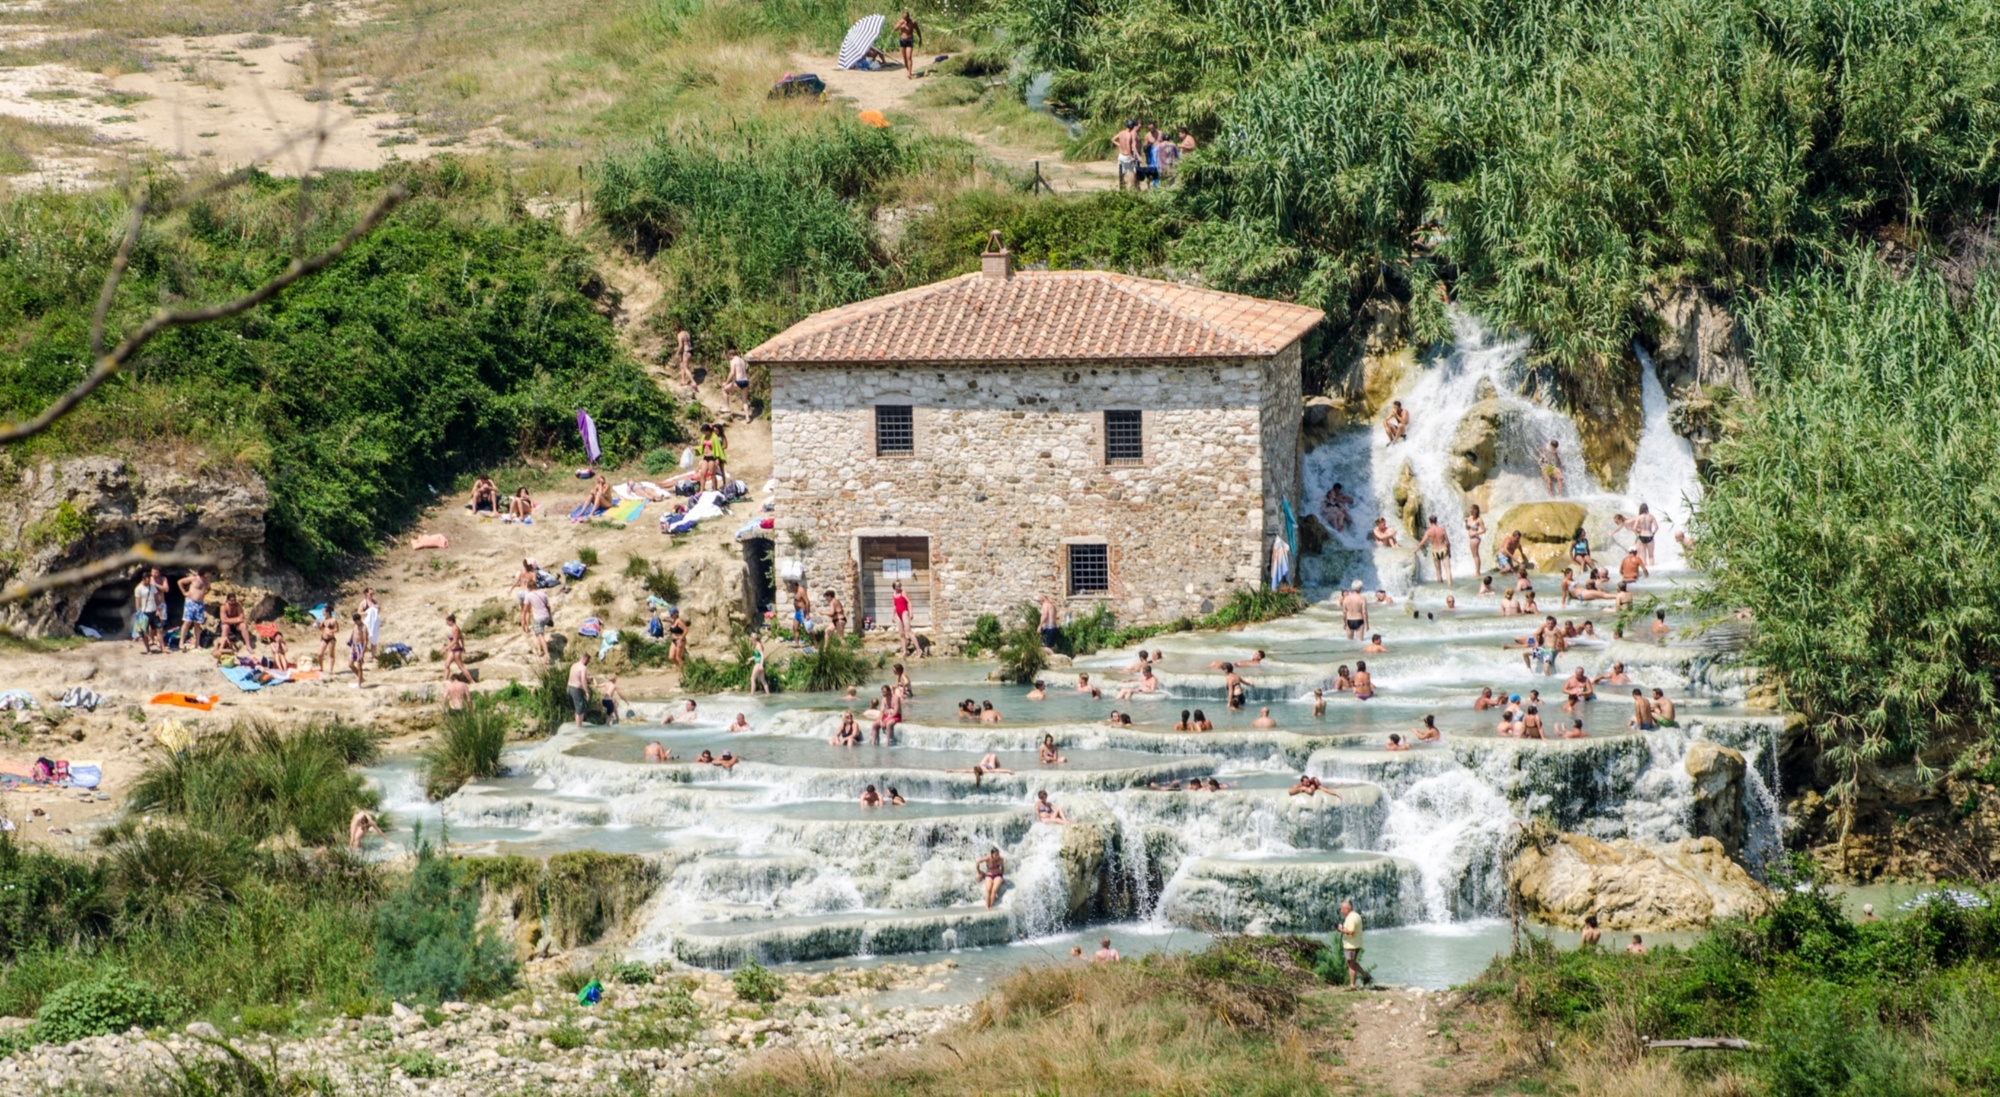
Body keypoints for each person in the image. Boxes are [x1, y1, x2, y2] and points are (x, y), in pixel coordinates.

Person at [176, 568, 210, 652]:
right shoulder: (194, 578)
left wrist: (204, 593)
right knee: (187, 622)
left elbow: (208, 588)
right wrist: (184, 592)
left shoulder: (206, 581)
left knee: (197, 624)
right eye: (208, 572)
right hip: (191, 602)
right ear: (204, 572)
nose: (209, 574)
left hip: (200, 604)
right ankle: (181, 642)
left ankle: (197, 643)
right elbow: (180, 582)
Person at [1338, 901, 1364, 987]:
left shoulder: (1351, 918)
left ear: (1347, 909)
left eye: (1342, 909)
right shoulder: (1356, 915)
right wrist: (1343, 928)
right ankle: (1365, 976)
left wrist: (1340, 930)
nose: (1341, 911)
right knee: (1350, 962)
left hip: (1351, 944)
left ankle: (1352, 984)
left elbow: (1351, 932)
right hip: (1356, 943)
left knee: (1351, 964)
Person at [1422, 515, 1452, 585]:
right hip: (1443, 550)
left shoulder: (1428, 531)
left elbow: (1422, 542)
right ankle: (1450, 585)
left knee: (1438, 571)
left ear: (1430, 522)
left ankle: (1440, 587)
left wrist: (1415, 550)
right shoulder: (1442, 529)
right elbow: (1447, 542)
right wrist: (1449, 552)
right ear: (1436, 521)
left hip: (1435, 552)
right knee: (1447, 570)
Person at [893, 10, 921, 78]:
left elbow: (918, 30)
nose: (906, 19)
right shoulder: (901, 21)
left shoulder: (913, 22)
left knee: (909, 57)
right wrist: (900, 26)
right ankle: (907, 70)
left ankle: (909, 72)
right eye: (904, 17)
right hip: (902, 40)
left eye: (907, 17)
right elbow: (894, 29)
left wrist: (920, 38)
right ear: (903, 17)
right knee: (904, 57)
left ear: (909, 16)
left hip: (909, 40)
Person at [892, 579, 917, 657]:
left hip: (904, 612)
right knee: (901, 634)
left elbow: (909, 602)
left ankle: (919, 650)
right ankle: (905, 651)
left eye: (900, 585)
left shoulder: (903, 592)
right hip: (898, 613)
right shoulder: (894, 594)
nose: (899, 587)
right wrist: (892, 615)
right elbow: (894, 605)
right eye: (897, 586)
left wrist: (911, 612)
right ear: (894, 587)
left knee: (908, 631)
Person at [1112, 119, 1139, 189]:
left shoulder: (1121, 132)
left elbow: (1113, 139)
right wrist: (1131, 156)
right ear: (1132, 127)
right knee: (1132, 172)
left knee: (1121, 173)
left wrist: (1120, 145)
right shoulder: (1129, 135)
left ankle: (1121, 187)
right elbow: (1127, 145)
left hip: (1121, 155)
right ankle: (1133, 188)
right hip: (1127, 156)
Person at [726, 349, 751, 420]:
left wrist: (726, 382)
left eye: (729, 356)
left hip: (739, 381)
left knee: (724, 389)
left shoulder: (733, 361)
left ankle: (726, 407)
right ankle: (747, 417)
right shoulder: (742, 360)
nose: (729, 358)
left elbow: (732, 373)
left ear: (731, 355)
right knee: (745, 401)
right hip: (745, 381)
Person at [567, 652, 591, 725]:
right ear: (585, 658)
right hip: (576, 690)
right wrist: (587, 692)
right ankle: (579, 728)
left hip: (569, 688)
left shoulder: (574, 665)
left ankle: (577, 725)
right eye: (588, 661)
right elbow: (583, 680)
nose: (588, 663)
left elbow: (576, 676)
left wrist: (589, 678)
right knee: (580, 711)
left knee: (576, 709)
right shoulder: (583, 667)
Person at [1632, 503, 1659, 569]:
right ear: (1647, 509)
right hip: (1650, 536)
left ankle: (1644, 571)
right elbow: (1656, 527)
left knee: (1643, 556)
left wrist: (1637, 534)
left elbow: (1634, 528)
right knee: (1651, 556)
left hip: (1642, 536)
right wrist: (1653, 533)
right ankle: (1652, 570)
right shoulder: (1651, 516)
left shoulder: (1638, 517)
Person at [347, 611, 368, 688]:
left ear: (359, 620)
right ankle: (361, 678)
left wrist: (362, 653)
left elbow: (365, 641)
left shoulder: (364, 627)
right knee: (350, 664)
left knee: (359, 666)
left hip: (360, 646)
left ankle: (359, 684)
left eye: (356, 621)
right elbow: (353, 633)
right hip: (354, 645)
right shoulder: (355, 625)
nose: (356, 622)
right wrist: (350, 640)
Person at [674, 323, 696, 398]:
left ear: (676, 329)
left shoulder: (679, 335)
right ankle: (683, 380)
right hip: (691, 350)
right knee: (682, 366)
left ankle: (693, 382)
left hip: (686, 352)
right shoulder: (686, 333)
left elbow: (680, 346)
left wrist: (677, 353)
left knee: (686, 368)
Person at [443, 613, 467, 680]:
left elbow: (455, 640)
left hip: (456, 649)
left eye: (447, 622)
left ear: (451, 621)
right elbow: (461, 637)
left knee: (461, 667)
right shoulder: (455, 628)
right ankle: (445, 681)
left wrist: (446, 648)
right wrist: (463, 646)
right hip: (453, 649)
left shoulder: (455, 628)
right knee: (447, 665)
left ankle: (472, 681)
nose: (447, 623)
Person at [1464, 504, 1487, 574]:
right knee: (1474, 555)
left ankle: (1477, 572)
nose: (1470, 511)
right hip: (1471, 538)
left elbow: (1484, 530)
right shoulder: (1469, 517)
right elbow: (1467, 528)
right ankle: (1477, 571)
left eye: (1471, 509)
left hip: (1475, 538)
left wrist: (1475, 533)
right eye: (1470, 509)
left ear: (1475, 511)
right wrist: (1466, 523)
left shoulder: (1479, 519)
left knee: (1475, 555)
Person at [316, 608, 340, 672]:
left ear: (328, 612)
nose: (322, 612)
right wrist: (318, 625)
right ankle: (321, 668)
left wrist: (331, 631)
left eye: (323, 611)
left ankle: (331, 670)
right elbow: (321, 628)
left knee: (331, 654)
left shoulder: (333, 620)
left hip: (331, 639)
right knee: (319, 654)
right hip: (324, 638)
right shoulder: (323, 620)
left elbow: (337, 629)